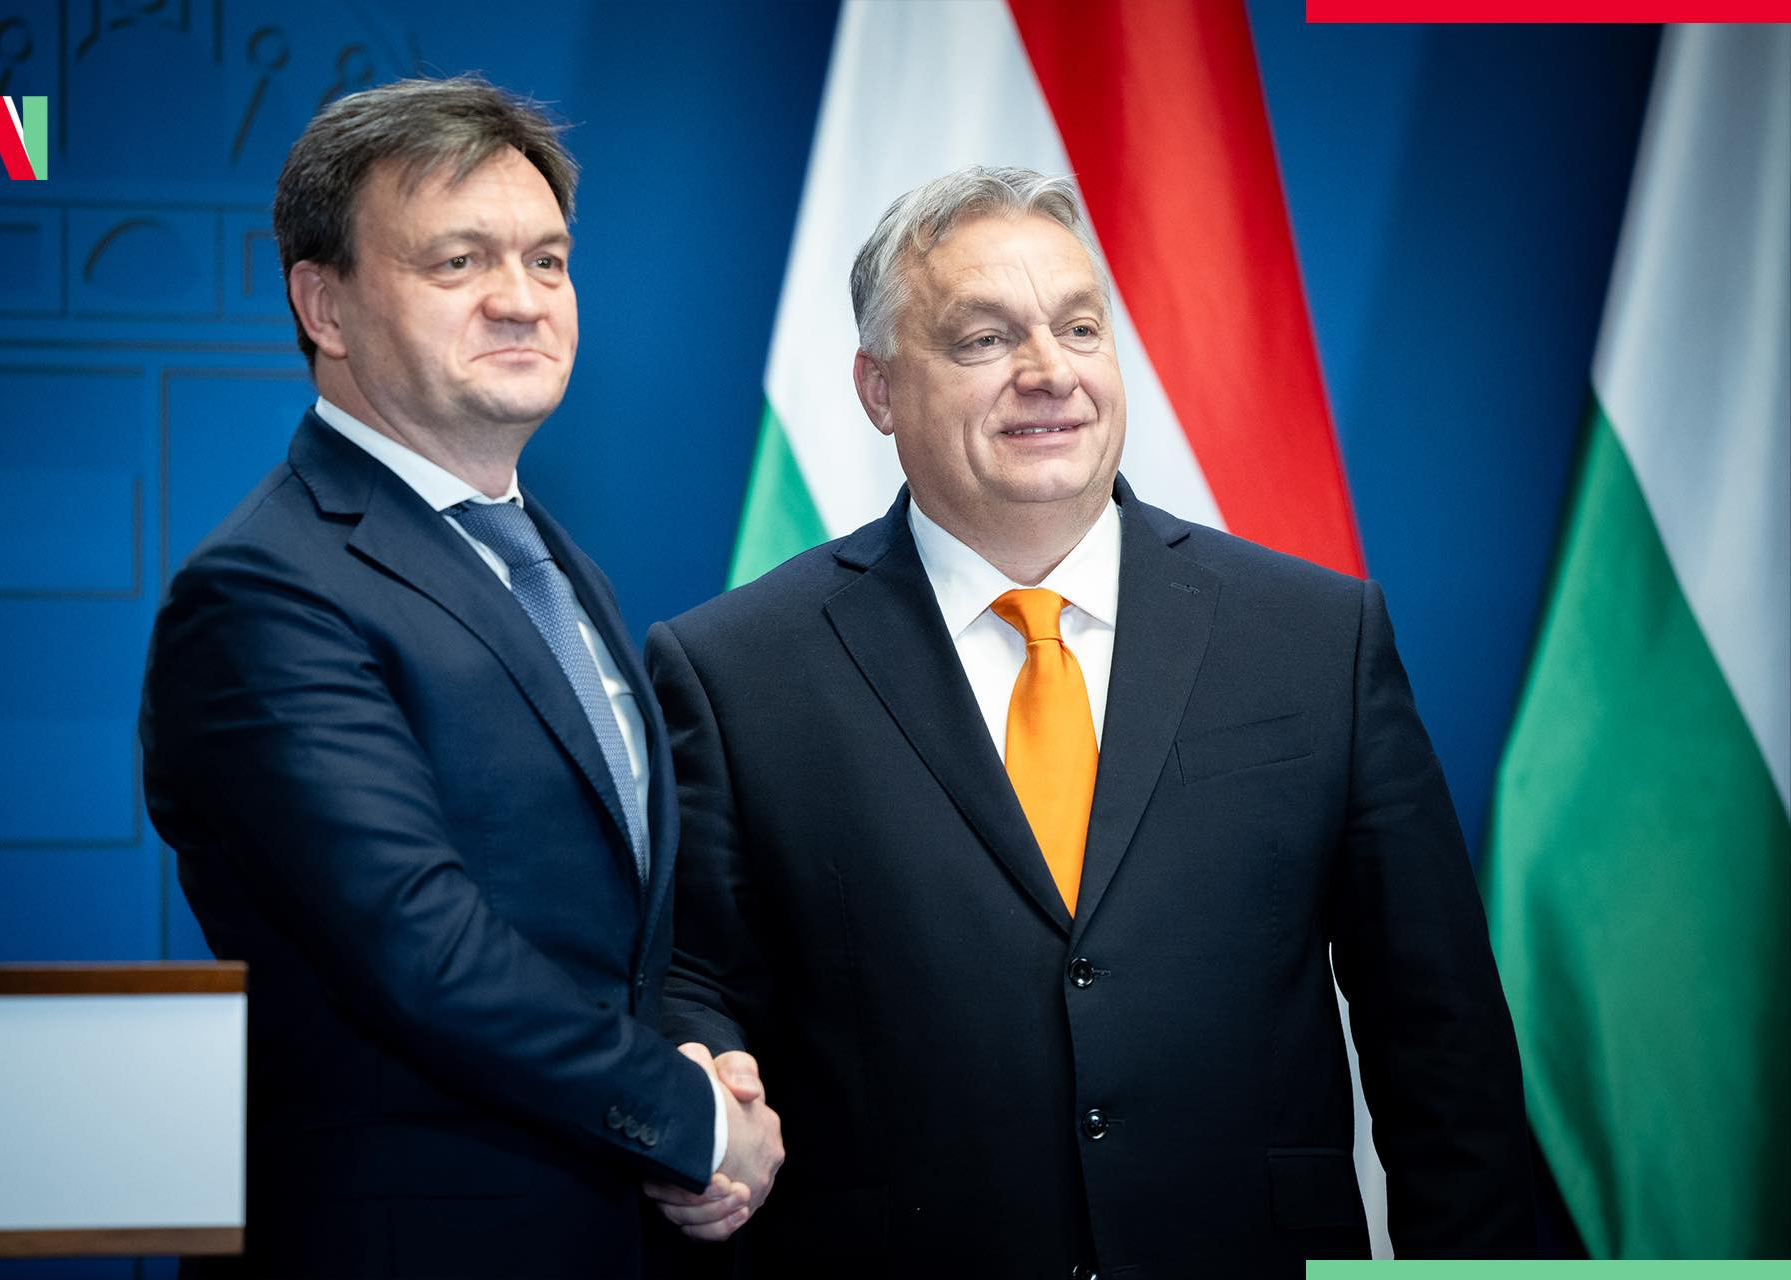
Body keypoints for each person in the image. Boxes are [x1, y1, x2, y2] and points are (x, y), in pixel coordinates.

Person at [645, 166, 1535, 1276]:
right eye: (984, 338)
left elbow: (1442, 1038)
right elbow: (691, 981)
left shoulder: (1316, 635)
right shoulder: (733, 669)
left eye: (1079, 327)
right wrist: (706, 1084)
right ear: (878, 389)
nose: (1050, 371)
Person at [140, 77, 780, 1278]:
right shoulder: (264, 590)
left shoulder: (550, 560)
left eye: (548, 260)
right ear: (324, 304)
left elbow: (619, 930)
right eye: (458, 261)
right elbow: (420, 948)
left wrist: (705, 1059)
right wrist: (690, 1118)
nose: (520, 299)